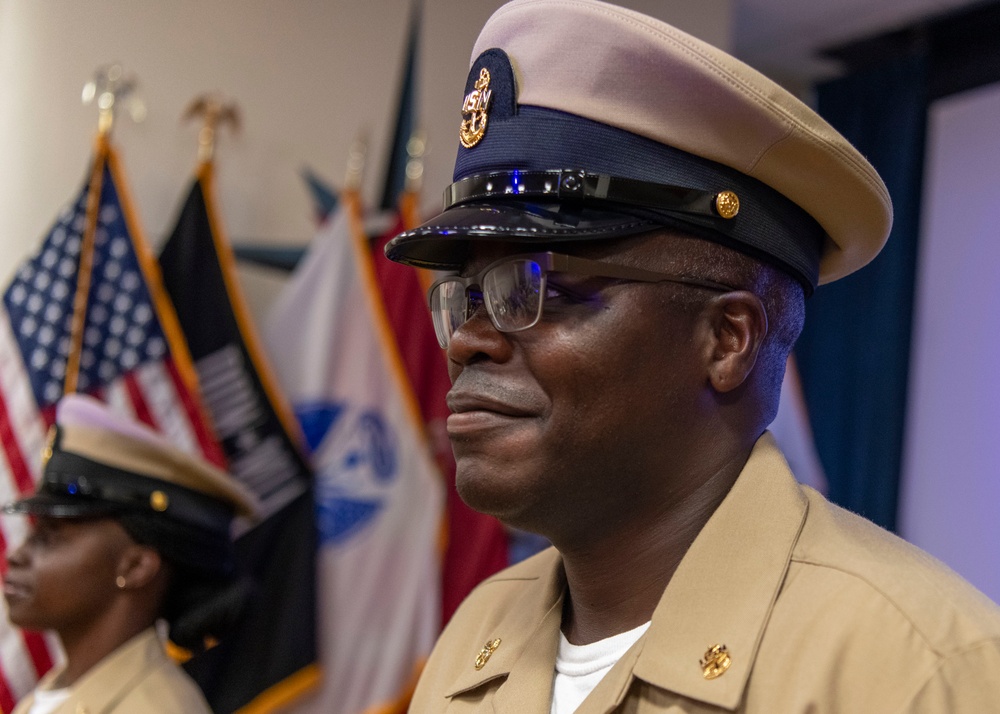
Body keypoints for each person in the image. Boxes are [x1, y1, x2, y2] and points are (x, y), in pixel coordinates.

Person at [384, 0, 1000, 711]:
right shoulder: (475, 638)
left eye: (534, 291)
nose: (467, 341)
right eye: (465, 298)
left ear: (727, 339)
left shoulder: (916, 672)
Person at [3, 393, 256, 714]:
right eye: (33, 534)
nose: (16, 556)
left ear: (136, 566)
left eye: (51, 537)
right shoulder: (51, 698)